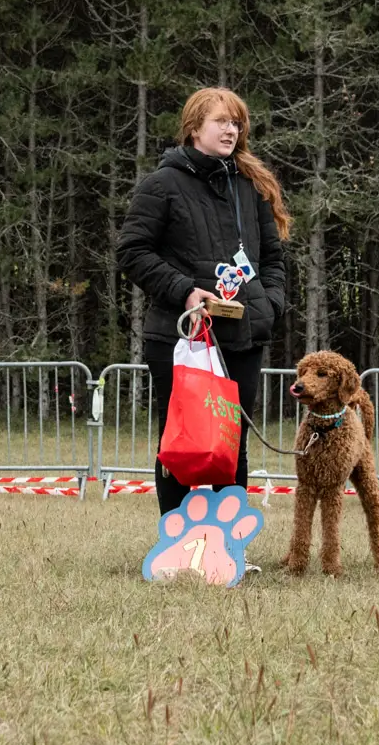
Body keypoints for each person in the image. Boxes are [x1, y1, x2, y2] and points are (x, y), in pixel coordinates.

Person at [118, 87, 291, 515]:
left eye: (236, 122)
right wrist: (184, 291)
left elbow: (274, 259)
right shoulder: (161, 185)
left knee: (232, 443)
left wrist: (268, 304)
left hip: (244, 336)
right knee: (180, 440)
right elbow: (132, 252)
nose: (231, 129)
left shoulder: (251, 187)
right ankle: (177, 548)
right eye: (221, 121)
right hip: (181, 339)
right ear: (195, 127)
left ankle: (228, 550)